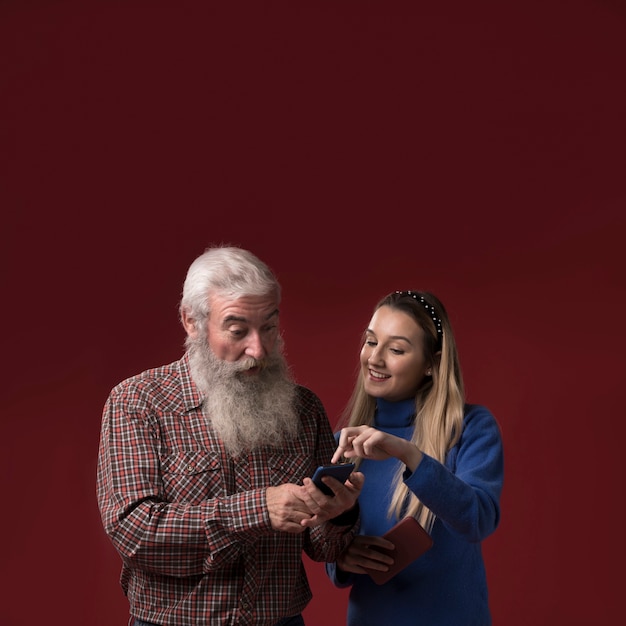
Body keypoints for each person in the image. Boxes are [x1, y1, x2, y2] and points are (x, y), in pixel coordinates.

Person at [96, 245, 363, 626]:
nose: (259, 348)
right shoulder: (138, 403)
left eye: (269, 326)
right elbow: (135, 533)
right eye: (238, 330)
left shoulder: (304, 409)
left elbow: (322, 547)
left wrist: (341, 514)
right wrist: (260, 510)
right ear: (191, 322)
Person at [326, 290, 504, 626]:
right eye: (370, 342)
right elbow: (327, 547)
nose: (374, 359)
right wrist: (341, 558)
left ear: (430, 365)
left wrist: (408, 453)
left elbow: (478, 519)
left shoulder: (471, 429)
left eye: (395, 349)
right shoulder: (345, 444)